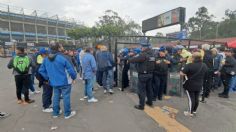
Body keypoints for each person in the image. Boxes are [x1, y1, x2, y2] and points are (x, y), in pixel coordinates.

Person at [39, 43, 77, 119]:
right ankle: (67, 113)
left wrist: (48, 78)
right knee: (66, 97)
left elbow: (41, 70)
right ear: (58, 48)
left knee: (56, 96)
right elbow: (71, 70)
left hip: (53, 82)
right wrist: (74, 77)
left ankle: (55, 113)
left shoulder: (46, 59)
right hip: (64, 81)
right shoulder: (63, 58)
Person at [128, 39, 155, 110]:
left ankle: (141, 105)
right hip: (150, 74)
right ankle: (150, 102)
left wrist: (131, 56)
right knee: (149, 89)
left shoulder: (143, 55)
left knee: (141, 91)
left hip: (143, 75)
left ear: (144, 47)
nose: (141, 48)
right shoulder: (152, 54)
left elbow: (132, 60)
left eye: (141, 47)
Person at [180, 52, 208, 117]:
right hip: (200, 84)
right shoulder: (204, 65)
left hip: (190, 84)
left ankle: (190, 112)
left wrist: (184, 73)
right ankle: (194, 111)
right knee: (196, 98)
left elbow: (182, 73)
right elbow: (206, 73)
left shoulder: (189, 65)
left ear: (193, 58)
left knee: (191, 98)